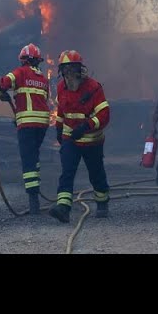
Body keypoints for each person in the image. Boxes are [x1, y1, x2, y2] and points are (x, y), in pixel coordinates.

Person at [48, 50, 111, 223]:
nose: (68, 74)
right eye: (65, 70)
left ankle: (102, 203)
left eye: (71, 69)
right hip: (71, 140)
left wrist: (86, 126)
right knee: (67, 172)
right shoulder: (61, 86)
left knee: (96, 173)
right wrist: (59, 129)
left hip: (92, 141)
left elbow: (104, 114)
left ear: (79, 69)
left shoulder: (94, 87)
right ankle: (63, 208)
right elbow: (61, 110)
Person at [0, 43, 50, 214]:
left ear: (23, 60)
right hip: (42, 124)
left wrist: (0, 89)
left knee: (28, 160)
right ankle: (37, 188)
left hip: (27, 124)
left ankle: (33, 202)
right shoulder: (43, 78)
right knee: (34, 156)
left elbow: (3, 83)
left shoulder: (20, 72)